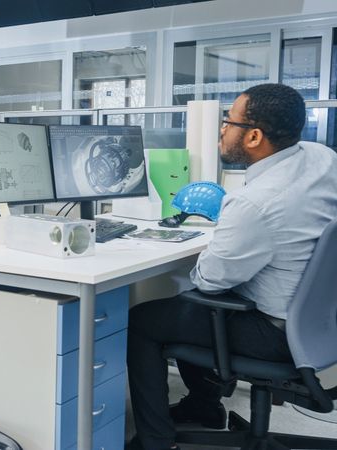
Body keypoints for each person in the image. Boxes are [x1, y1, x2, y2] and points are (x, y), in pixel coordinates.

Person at [126, 83, 337, 450]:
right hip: (323, 324)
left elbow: (209, 280)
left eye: (229, 121)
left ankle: (155, 441)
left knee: (147, 320)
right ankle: (203, 407)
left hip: (278, 335)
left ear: (254, 136)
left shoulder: (255, 203)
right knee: (187, 305)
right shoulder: (323, 158)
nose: (222, 129)